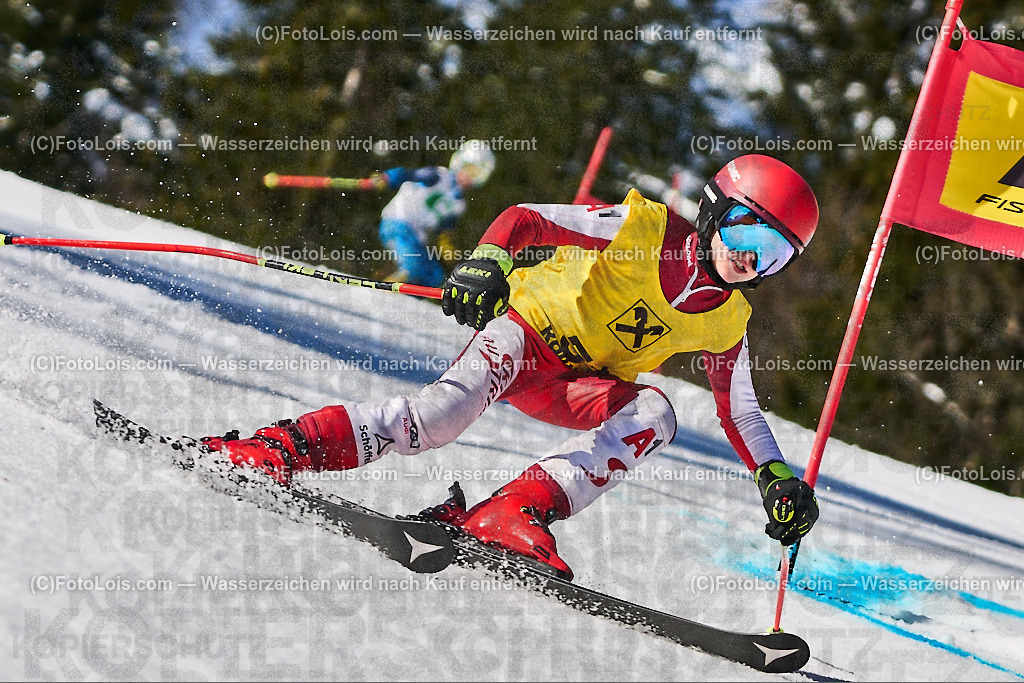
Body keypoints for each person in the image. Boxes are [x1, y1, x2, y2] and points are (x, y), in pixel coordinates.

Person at [202, 154, 821, 580]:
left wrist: (775, 477)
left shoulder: (727, 320)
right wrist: (488, 262)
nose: (749, 259)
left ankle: (514, 511)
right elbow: (528, 219)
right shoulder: (643, 228)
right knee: (432, 424)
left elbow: (738, 407)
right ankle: (281, 448)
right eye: (745, 232)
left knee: (656, 413)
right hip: (523, 334)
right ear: (715, 210)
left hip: (572, 386)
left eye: (773, 254)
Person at [373, 140, 495, 287]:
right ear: (459, 162)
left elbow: (444, 227)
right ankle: (385, 289)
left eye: (477, 174)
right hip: (397, 223)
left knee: (434, 276)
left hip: (417, 237)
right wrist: (387, 178)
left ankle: (407, 299)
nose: (469, 177)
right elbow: (407, 174)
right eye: (468, 169)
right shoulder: (438, 176)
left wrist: (446, 243)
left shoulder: (458, 205)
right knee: (412, 266)